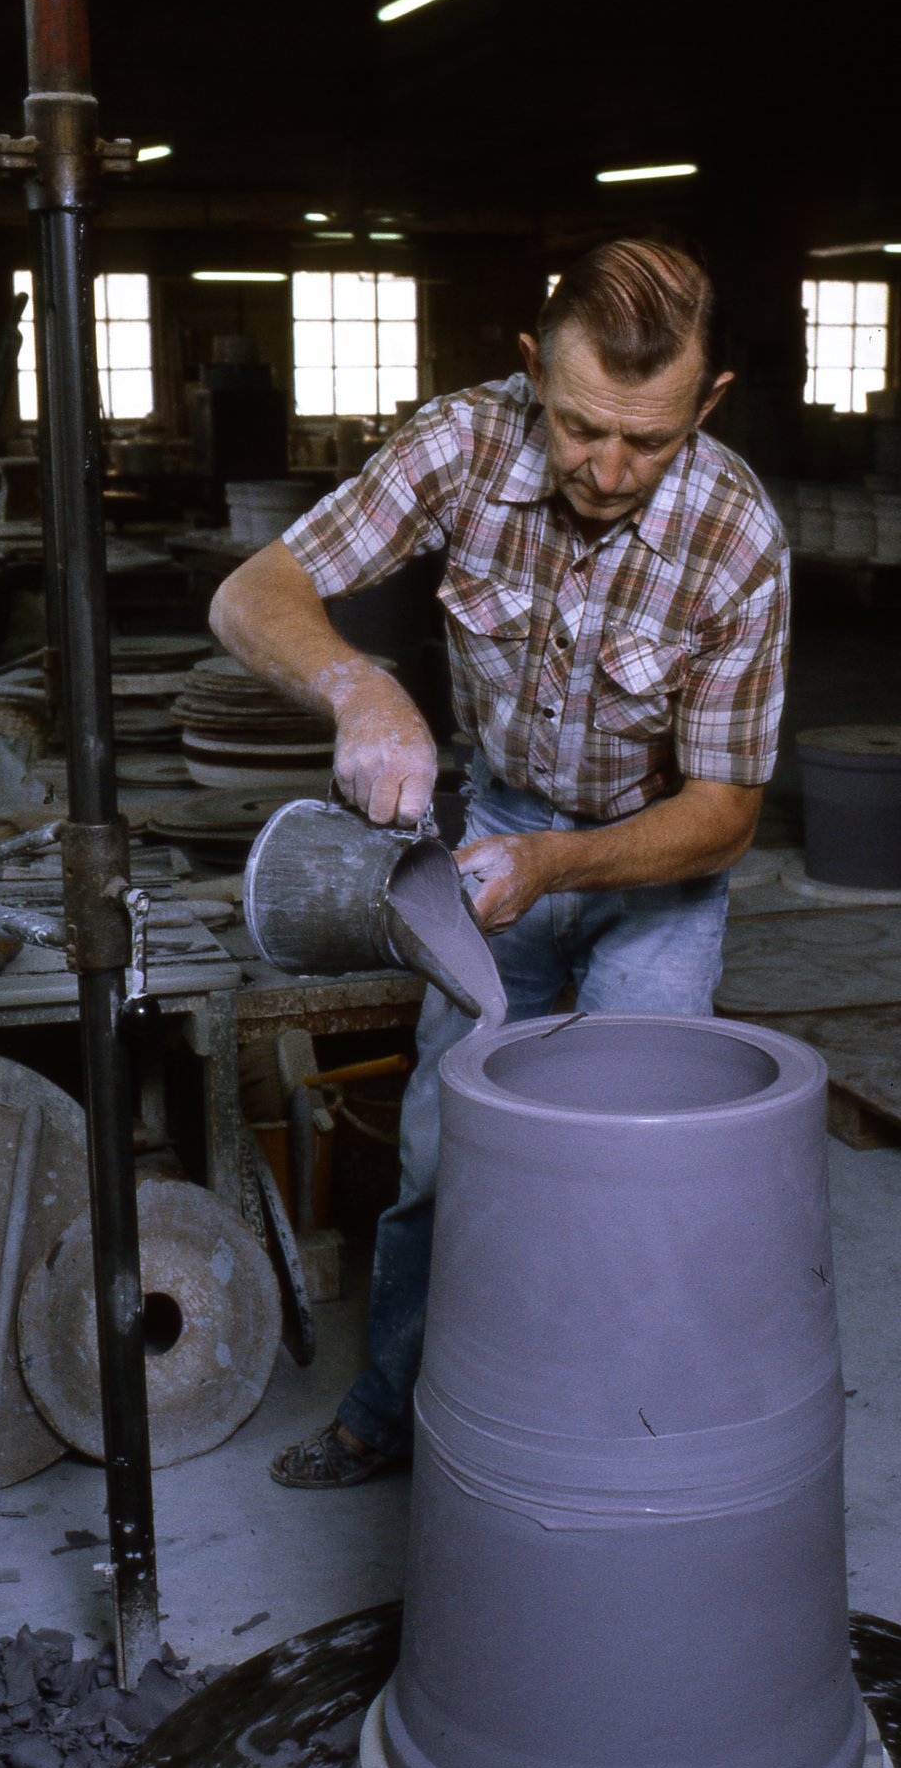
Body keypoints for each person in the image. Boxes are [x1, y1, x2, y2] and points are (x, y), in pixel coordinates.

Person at [210, 238, 790, 1487]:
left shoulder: (736, 535)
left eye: (648, 439)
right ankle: (389, 1409)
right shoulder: (464, 443)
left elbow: (728, 812)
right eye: (581, 426)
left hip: (654, 860)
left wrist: (560, 861)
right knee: (441, 1148)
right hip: (500, 835)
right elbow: (252, 592)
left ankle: (608, 1441)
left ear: (712, 398)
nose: (607, 469)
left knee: (639, 1167)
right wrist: (359, 688)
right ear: (531, 369)